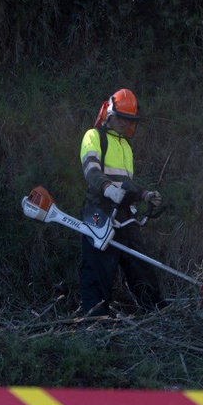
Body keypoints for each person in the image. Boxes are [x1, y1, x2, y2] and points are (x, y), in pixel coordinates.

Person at [78, 88, 165, 317]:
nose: (126, 125)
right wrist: (107, 189)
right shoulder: (94, 136)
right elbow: (91, 169)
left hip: (124, 212)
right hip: (99, 209)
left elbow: (127, 184)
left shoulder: (126, 146)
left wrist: (145, 195)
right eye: (122, 119)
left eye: (130, 121)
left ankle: (155, 311)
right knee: (99, 264)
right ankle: (96, 317)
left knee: (139, 260)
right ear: (110, 114)